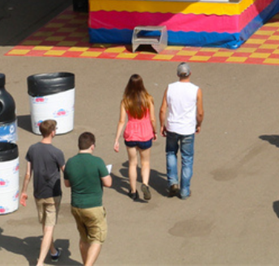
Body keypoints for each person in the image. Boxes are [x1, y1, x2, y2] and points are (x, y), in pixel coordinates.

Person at [20, 119, 66, 264]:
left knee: (45, 226)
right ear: (52, 132)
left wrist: (24, 191)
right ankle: (40, 262)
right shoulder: (57, 152)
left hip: (38, 193)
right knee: (49, 227)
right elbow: (66, 172)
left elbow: (28, 174)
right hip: (53, 194)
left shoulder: (32, 149)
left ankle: (53, 252)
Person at [63, 131, 112, 266]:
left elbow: (67, 184)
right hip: (93, 207)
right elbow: (108, 183)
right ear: (92, 146)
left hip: (76, 206)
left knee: (84, 238)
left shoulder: (71, 162)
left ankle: (86, 262)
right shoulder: (97, 162)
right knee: (97, 238)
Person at [159, 62, 202, 199]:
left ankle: (172, 182)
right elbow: (200, 112)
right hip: (188, 128)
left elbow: (162, 109)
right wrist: (198, 124)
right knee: (187, 159)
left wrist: (162, 124)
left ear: (178, 74)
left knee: (171, 153)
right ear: (190, 73)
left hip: (172, 127)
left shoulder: (170, 88)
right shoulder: (196, 90)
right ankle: (184, 191)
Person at [112, 72, 157, 201]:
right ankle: (145, 184)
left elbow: (121, 121)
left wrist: (116, 139)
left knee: (132, 163)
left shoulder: (125, 101)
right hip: (145, 134)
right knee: (145, 163)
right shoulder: (148, 99)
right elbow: (153, 119)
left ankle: (132, 191)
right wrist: (155, 132)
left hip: (131, 134)